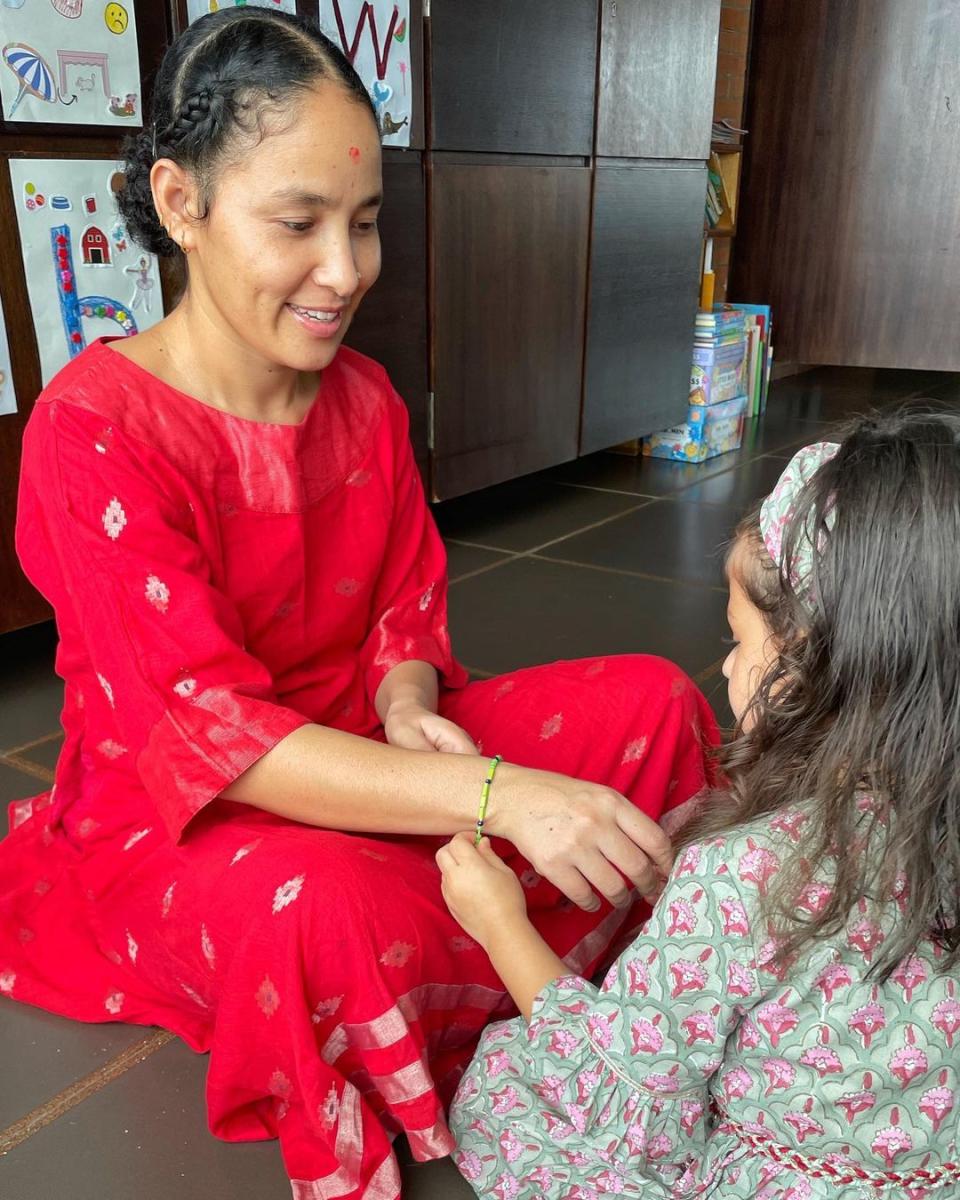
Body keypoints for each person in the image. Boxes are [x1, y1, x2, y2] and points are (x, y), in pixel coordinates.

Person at [1, 9, 719, 1197]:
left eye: (366, 222)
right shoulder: (93, 432)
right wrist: (496, 792)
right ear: (181, 203)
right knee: (321, 903)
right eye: (300, 222)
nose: (346, 270)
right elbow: (214, 740)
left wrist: (402, 700)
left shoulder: (367, 398)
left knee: (651, 705)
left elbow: (401, 604)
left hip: (366, 747)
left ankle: (584, 984)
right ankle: (511, 969)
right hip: (187, 816)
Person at [441, 412, 960, 1199]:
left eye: (738, 639)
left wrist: (499, 922)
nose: (724, 669)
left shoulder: (746, 873)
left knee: (507, 1090)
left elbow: (630, 1103)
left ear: (810, 663)